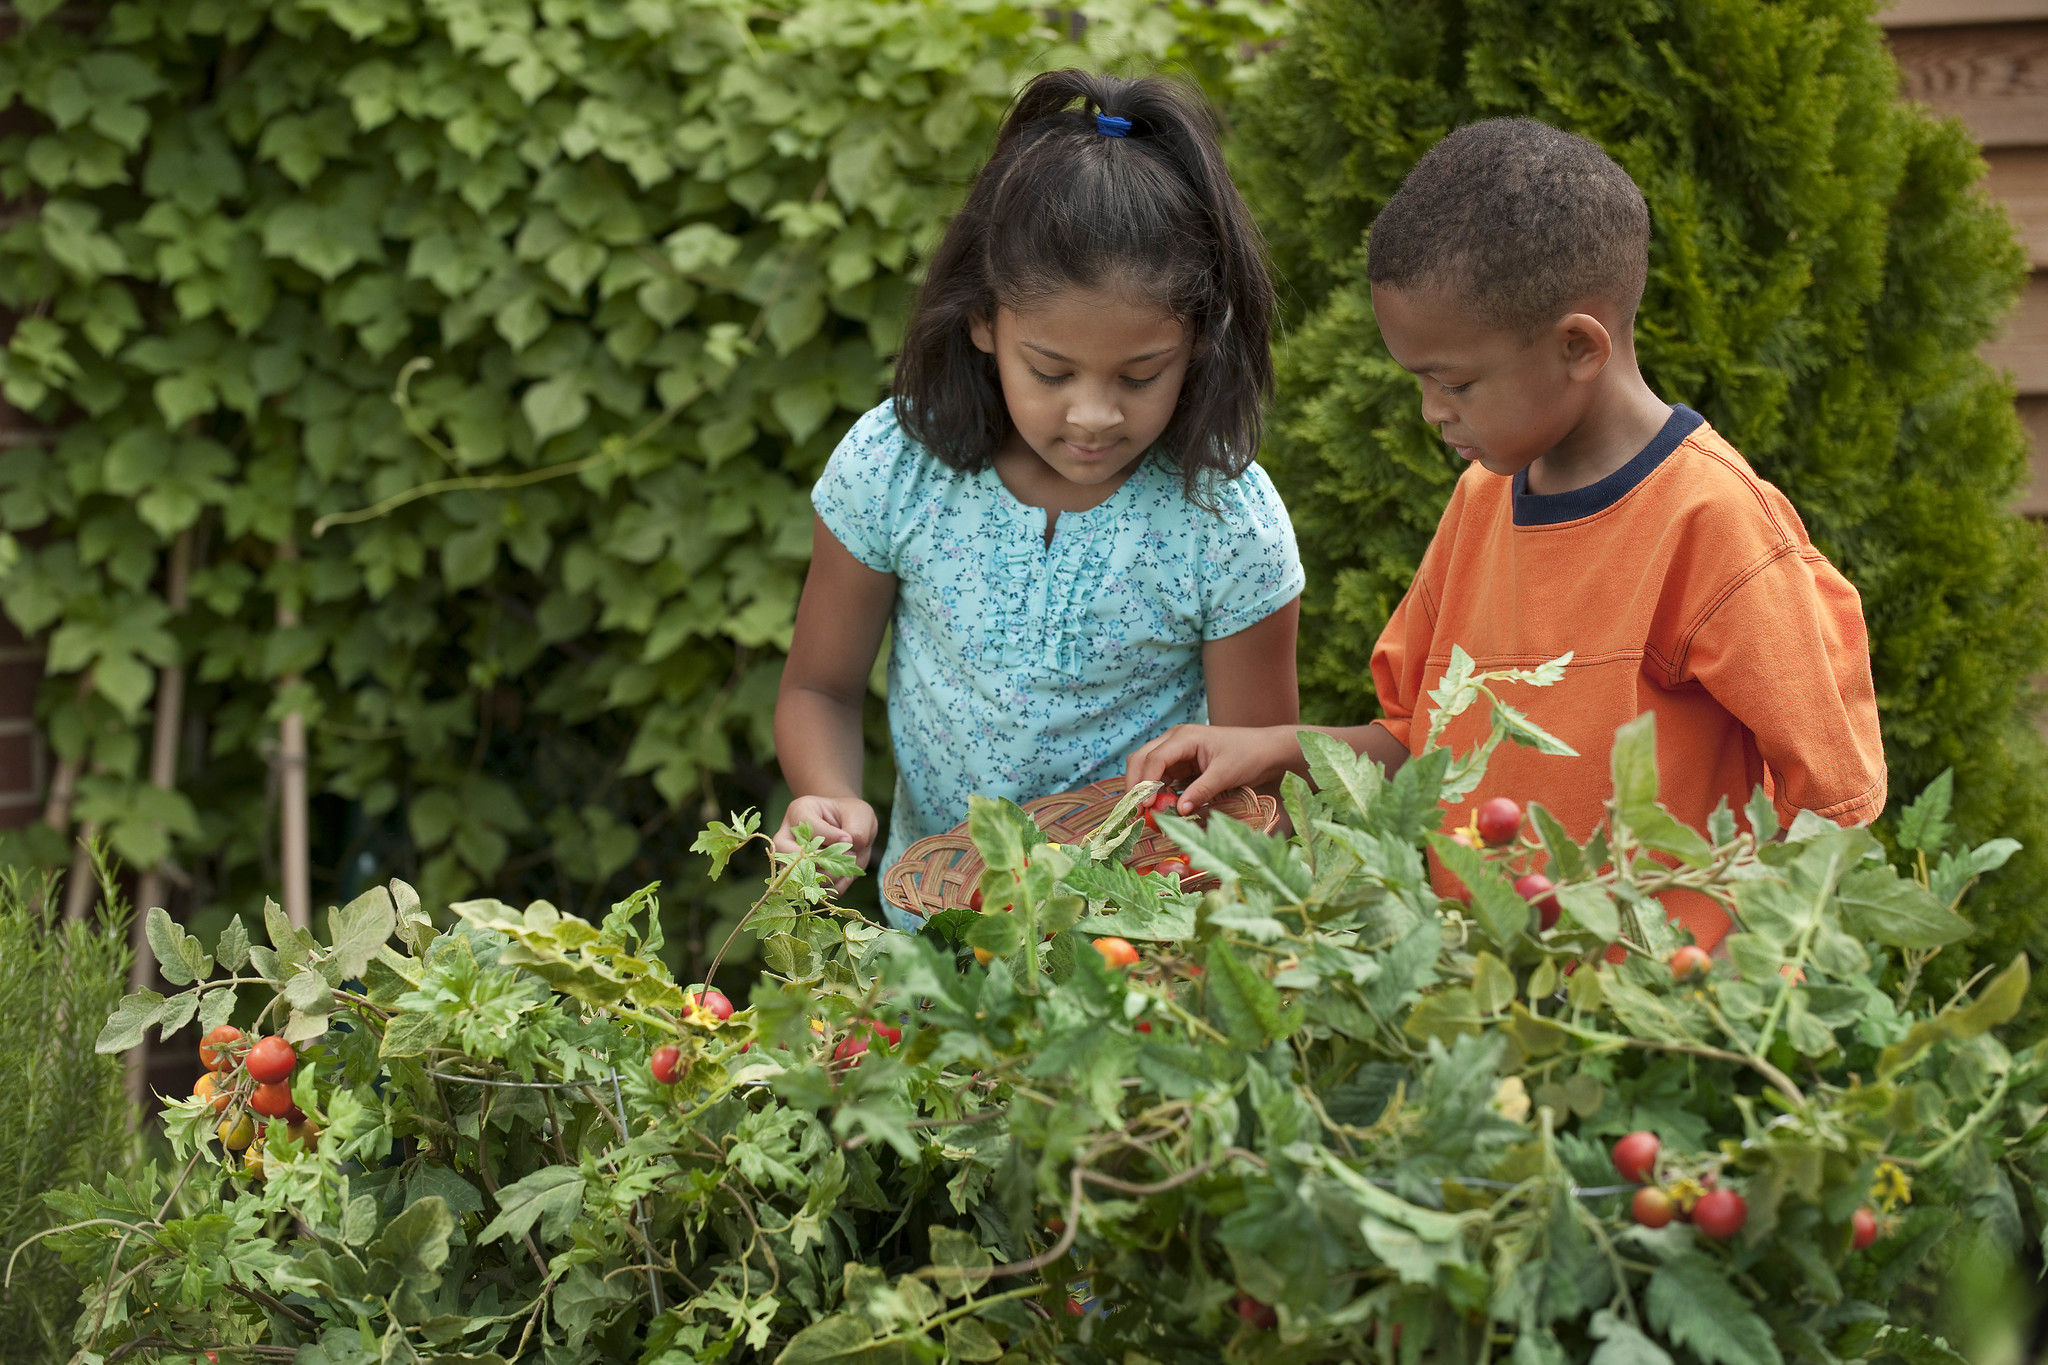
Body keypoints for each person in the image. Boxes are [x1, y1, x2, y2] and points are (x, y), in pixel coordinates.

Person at [1126, 118, 1886, 952]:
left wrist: (1729, 993)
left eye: (1452, 382)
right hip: (1490, 1004)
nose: (1431, 412)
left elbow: (1834, 802)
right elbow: (1420, 746)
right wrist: (1271, 749)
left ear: (1577, 346)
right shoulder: (1480, 504)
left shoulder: (1713, 524)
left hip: (1662, 1021)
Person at [772, 69, 1305, 928]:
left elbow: (1251, 788)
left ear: (1200, 341)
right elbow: (820, 690)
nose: (1093, 415)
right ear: (983, 320)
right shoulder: (897, 466)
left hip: (1139, 952)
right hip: (934, 938)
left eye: (1141, 375)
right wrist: (830, 800)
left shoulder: (1225, 522)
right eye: (1050, 371)